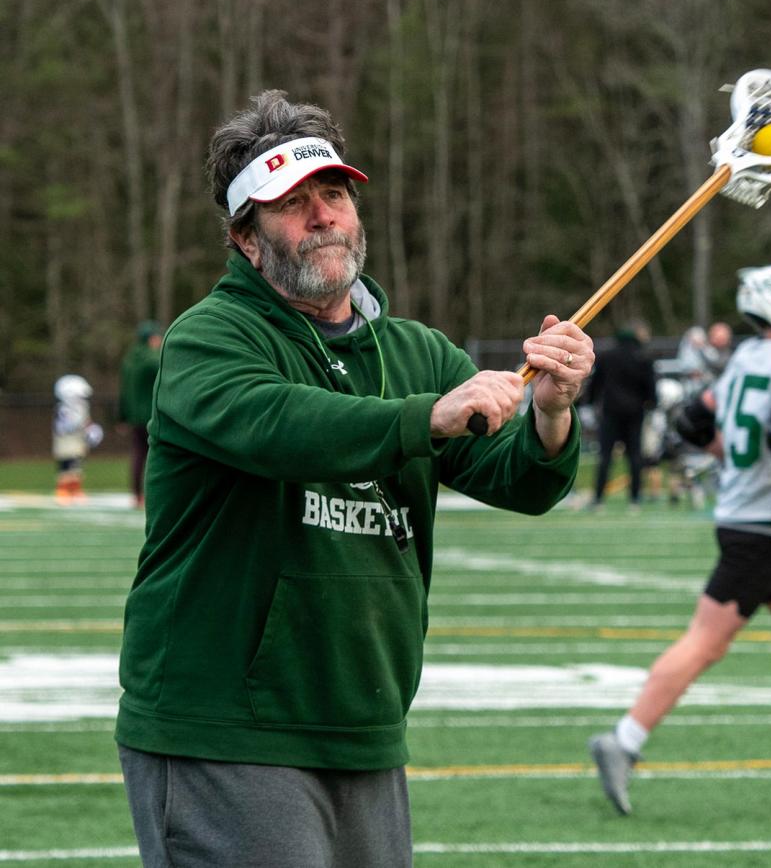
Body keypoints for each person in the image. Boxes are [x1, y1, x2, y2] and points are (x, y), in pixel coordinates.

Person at [114, 89, 594, 868]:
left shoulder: (417, 351)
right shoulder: (211, 338)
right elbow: (280, 425)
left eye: (332, 195)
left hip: (363, 725)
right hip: (226, 730)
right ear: (245, 237)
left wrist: (551, 411)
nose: (322, 216)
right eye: (292, 204)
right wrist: (427, 418)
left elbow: (523, 483)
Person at [589, 263, 771, 815]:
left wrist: (737, 465)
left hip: (758, 522)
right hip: (760, 528)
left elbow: (694, 419)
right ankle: (621, 742)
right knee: (705, 644)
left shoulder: (744, 356)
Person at [587, 321, 656, 510]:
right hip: (635, 412)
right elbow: (650, 386)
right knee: (635, 456)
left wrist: (591, 401)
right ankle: (635, 499)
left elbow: (596, 383)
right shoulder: (643, 357)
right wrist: (651, 404)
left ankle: (598, 499)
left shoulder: (607, 356)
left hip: (610, 411)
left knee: (605, 456)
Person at [118, 320, 163, 508]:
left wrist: (122, 417)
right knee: (156, 456)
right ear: (152, 339)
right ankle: (154, 495)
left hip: (134, 417)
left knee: (137, 455)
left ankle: (137, 495)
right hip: (152, 415)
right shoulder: (153, 359)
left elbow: (123, 391)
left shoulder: (128, 360)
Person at [52, 374, 103, 502]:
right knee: (67, 466)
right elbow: (64, 427)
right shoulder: (64, 409)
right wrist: (79, 424)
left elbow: (86, 423)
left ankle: (75, 490)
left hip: (78, 441)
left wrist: (92, 431)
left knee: (77, 467)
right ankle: (63, 490)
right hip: (66, 442)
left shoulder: (82, 407)